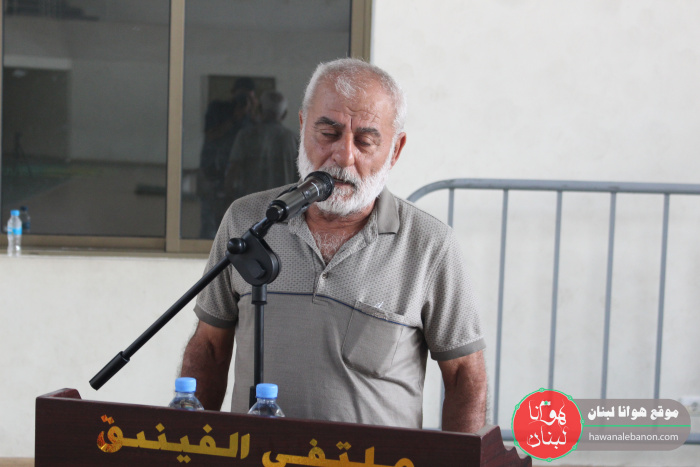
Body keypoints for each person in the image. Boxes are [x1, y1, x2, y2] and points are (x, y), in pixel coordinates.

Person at [180, 58, 487, 433]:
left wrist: (459, 458)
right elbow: (210, 349)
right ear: (302, 127)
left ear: (395, 150)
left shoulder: (429, 245)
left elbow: (464, 375)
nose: (344, 156)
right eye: (328, 134)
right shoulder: (248, 221)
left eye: (365, 141)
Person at [197, 78, 258, 238]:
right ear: (232, 94)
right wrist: (234, 118)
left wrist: (252, 112)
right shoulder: (218, 108)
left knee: (240, 227)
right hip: (213, 173)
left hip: (240, 180)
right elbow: (210, 135)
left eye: (248, 97)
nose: (242, 101)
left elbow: (258, 140)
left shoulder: (253, 118)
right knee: (210, 224)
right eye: (240, 96)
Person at [224, 90, 298, 201]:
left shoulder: (246, 136)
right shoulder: (295, 140)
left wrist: (229, 196)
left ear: (259, 109)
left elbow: (233, 171)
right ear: (284, 114)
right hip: (283, 206)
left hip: (251, 204)